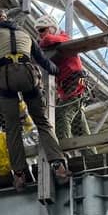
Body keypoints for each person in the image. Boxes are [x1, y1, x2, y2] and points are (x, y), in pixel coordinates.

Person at [0, 9, 70, 190]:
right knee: (42, 122)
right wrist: (59, 71)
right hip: (29, 75)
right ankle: (59, 165)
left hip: (6, 77)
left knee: (12, 127)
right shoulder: (24, 32)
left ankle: (19, 174)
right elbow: (43, 61)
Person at [35, 15, 90, 144]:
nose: (40, 34)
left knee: (61, 114)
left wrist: (37, 45)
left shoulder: (63, 39)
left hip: (76, 81)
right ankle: (91, 156)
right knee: (78, 124)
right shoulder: (53, 44)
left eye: (43, 30)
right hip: (68, 86)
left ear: (53, 28)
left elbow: (48, 39)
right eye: (39, 31)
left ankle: (64, 150)